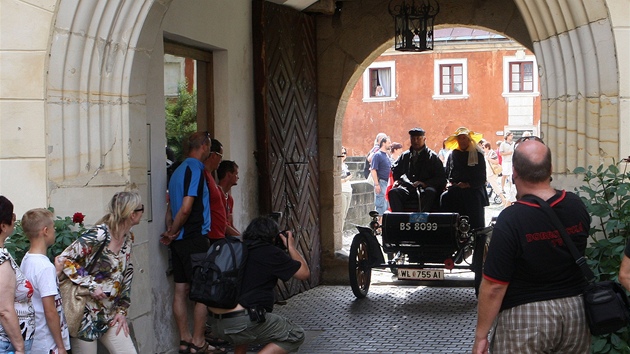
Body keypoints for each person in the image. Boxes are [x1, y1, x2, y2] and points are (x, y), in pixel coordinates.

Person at [472, 137, 591, 354]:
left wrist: (481, 335)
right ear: (550, 169)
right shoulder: (576, 206)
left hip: (526, 317)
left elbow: (494, 286)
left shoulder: (511, 219)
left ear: (515, 172)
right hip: (577, 314)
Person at [208, 216, 310, 354]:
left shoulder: (237, 250)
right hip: (241, 321)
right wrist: (290, 246)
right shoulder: (270, 252)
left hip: (216, 323)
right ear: (273, 236)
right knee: (295, 334)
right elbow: (304, 273)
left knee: (247, 329)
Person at [161, 132, 224, 354]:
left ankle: (184, 340)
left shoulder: (177, 170)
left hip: (179, 241)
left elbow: (170, 206)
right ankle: (198, 341)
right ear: (204, 147)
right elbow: (186, 207)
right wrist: (175, 230)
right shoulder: (195, 169)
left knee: (180, 289)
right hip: (193, 237)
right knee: (202, 292)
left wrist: (170, 230)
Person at [59, 191, 141, 353]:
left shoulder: (128, 238)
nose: (142, 212)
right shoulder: (99, 235)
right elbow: (64, 259)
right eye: (141, 208)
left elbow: (126, 275)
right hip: (85, 314)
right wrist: (91, 285)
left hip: (109, 314)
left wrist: (122, 310)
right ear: (132, 214)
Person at [20, 209, 70, 354]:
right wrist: (60, 346)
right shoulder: (45, 267)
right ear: (46, 231)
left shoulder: (27, 259)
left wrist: (56, 272)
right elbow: (50, 310)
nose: (54, 231)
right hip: (48, 343)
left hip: (35, 339)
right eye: (53, 227)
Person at [0, 196, 35, 354]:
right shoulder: (1, 260)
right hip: (7, 342)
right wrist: (20, 348)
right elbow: (4, 310)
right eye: (12, 218)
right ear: (3, 226)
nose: (15, 222)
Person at [440, 127, 488, 230]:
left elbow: (482, 177)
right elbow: (448, 173)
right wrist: (451, 183)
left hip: (474, 188)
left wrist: (468, 184)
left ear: (469, 140)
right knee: (445, 197)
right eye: (460, 138)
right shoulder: (453, 154)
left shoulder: (478, 155)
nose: (462, 141)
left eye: (464, 138)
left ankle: (476, 233)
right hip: (456, 187)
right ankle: (448, 230)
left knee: (472, 199)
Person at [388, 128, 446, 212]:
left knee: (430, 192)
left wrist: (425, 184)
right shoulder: (405, 156)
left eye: (418, 138)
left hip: (426, 188)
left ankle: (423, 220)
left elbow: (441, 178)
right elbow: (397, 171)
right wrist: (400, 181)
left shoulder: (432, 157)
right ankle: (400, 220)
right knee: (394, 193)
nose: (415, 141)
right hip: (408, 187)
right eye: (413, 138)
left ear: (424, 139)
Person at [203, 138, 227, 242]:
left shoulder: (210, 176)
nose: (221, 160)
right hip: (211, 235)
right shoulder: (204, 175)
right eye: (220, 156)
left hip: (218, 234)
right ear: (213, 155)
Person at [217, 160, 241, 236]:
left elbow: (230, 224)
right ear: (228, 174)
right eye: (236, 174)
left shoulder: (230, 199)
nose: (238, 177)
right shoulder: (217, 194)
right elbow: (223, 224)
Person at [370, 135, 391, 216]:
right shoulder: (377, 155)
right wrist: (376, 184)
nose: (390, 144)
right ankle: (379, 225)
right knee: (381, 205)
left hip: (387, 183)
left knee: (386, 205)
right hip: (381, 182)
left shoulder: (386, 155)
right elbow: (373, 170)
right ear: (383, 143)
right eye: (389, 143)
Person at [482, 141, 508, 207]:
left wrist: (489, 159)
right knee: (489, 186)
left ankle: (503, 200)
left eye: (484, 147)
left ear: (487, 147)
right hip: (488, 173)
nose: (483, 149)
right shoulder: (486, 154)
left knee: (495, 187)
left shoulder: (492, 153)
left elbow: (497, 162)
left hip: (492, 173)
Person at [340, 147, 353, 231]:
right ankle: (339, 233)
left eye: (344, 153)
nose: (343, 155)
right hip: (342, 191)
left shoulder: (345, 165)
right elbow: (336, 179)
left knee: (344, 215)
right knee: (341, 215)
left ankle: (340, 232)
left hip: (348, 190)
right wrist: (346, 179)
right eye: (341, 153)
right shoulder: (337, 165)